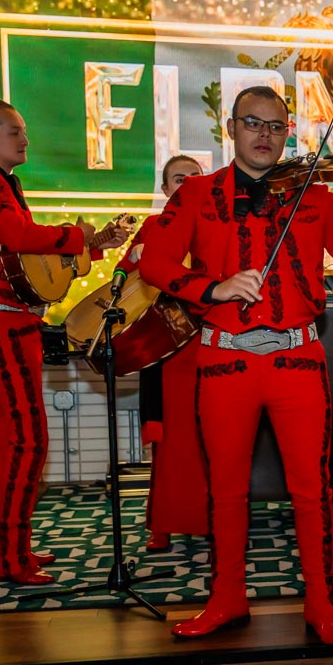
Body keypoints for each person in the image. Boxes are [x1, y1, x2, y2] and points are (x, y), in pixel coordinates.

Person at [140, 86, 333, 641]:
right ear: (231, 128)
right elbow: (155, 263)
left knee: (312, 490)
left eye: (276, 126)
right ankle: (226, 600)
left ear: (288, 134)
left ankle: (321, 605)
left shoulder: (312, 195)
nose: (264, 135)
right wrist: (212, 287)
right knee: (226, 491)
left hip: (297, 359)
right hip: (224, 361)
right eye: (253, 123)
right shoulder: (197, 194)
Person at [0, 98, 128, 584]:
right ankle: (11, 558)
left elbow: (26, 261)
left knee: (20, 439)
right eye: (15, 132)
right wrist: (76, 235)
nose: (25, 140)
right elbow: (18, 235)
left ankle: (3, 551)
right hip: (2, 324)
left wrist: (92, 245)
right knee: (25, 440)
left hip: (15, 323)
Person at [113, 155, 207, 551]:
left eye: (195, 178)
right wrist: (133, 261)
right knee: (168, 441)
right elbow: (122, 276)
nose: (187, 184)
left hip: (209, 340)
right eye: (179, 179)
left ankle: (214, 519)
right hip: (167, 346)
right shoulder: (153, 226)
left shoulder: (216, 224)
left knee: (211, 437)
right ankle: (163, 523)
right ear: (165, 189)